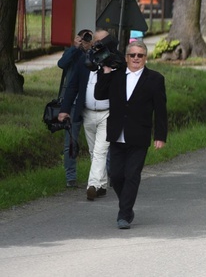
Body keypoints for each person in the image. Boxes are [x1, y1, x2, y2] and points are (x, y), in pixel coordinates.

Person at [95, 40, 168, 229]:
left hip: (139, 135)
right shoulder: (116, 75)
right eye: (132, 55)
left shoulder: (155, 79)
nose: (136, 58)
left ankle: (124, 214)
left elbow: (161, 110)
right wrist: (105, 72)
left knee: (132, 174)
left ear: (145, 58)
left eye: (140, 55)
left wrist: (160, 136)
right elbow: (99, 94)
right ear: (126, 58)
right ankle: (126, 206)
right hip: (117, 134)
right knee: (116, 175)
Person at [59, 29, 114, 201]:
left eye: (96, 40)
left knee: (100, 150)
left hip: (107, 113)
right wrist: (64, 109)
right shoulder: (82, 59)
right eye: (90, 39)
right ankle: (101, 185)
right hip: (85, 112)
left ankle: (92, 185)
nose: (93, 42)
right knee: (92, 150)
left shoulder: (112, 59)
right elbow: (72, 85)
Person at [56, 29, 93, 188]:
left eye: (89, 37)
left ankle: (101, 175)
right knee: (70, 142)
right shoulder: (74, 53)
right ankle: (70, 177)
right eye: (83, 37)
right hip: (72, 104)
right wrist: (74, 47)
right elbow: (61, 64)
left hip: (91, 104)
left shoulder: (96, 54)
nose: (86, 40)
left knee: (99, 142)